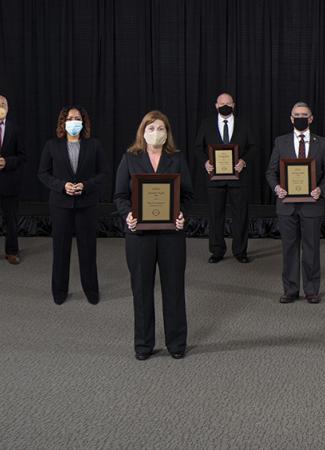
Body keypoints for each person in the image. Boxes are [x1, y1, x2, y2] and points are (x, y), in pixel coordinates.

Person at [114, 111, 194, 360]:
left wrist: (182, 215)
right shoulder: (130, 158)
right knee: (141, 290)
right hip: (139, 236)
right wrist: (128, 216)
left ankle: (177, 344)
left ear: (167, 132)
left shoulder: (177, 159)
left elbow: (188, 195)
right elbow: (119, 197)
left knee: (174, 289)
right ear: (142, 131)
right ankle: (143, 345)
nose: (156, 133)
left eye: (161, 128)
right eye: (151, 128)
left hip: (171, 235)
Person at [265, 102, 325, 304]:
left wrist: (320, 190)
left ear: (311, 118)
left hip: (312, 204)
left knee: (311, 248)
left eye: (304, 114)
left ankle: (312, 290)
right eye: (297, 114)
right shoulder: (280, 142)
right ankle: (290, 290)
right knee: (289, 248)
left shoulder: (323, 143)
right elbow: (270, 171)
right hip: (286, 205)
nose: (300, 117)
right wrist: (277, 188)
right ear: (291, 118)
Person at [37, 106, 107, 304]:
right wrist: (61, 186)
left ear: (83, 122)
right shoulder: (52, 145)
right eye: (70, 118)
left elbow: (103, 173)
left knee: (88, 250)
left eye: (78, 118)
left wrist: (85, 185)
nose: (74, 121)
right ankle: (59, 292)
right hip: (60, 205)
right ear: (63, 122)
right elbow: (42, 173)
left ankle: (91, 291)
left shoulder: (94, 145)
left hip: (87, 205)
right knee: (60, 250)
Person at [196, 92, 257, 264]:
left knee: (240, 215)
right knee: (215, 215)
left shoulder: (243, 124)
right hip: (214, 179)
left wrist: (243, 161)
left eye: (228, 103)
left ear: (233, 105)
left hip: (239, 178)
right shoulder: (206, 124)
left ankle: (240, 251)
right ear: (216, 105)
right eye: (221, 103)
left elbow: (253, 147)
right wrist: (205, 162)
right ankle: (217, 250)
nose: (225, 106)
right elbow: (197, 147)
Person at [0, 94, 26, 265]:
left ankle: (11, 251)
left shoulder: (15, 129)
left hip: (9, 183)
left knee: (11, 219)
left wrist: (7, 162)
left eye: (2, 104)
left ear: (7, 108)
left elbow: (23, 156)